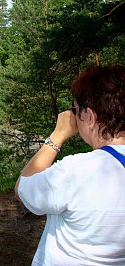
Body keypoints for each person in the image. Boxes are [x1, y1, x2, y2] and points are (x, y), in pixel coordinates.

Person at [15, 65, 125, 265]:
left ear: (90, 117)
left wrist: (58, 135)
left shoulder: (78, 171)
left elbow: (23, 188)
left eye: (75, 110)